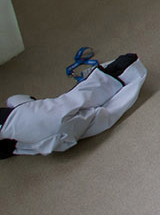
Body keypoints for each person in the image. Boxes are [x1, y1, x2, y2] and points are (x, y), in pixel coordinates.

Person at [1, 53, 146, 158]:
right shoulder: (19, 111)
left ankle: (121, 76)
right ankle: (120, 74)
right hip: (50, 120)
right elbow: (18, 100)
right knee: (83, 100)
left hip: (52, 138)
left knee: (95, 115)